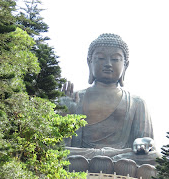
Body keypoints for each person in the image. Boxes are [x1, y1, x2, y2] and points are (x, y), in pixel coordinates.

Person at [61, 33, 158, 166]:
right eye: (100, 58)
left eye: (115, 59)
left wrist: (144, 143)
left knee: (156, 157)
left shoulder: (136, 103)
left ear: (126, 65)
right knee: (54, 152)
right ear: (89, 62)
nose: (107, 64)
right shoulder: (75, 98)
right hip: (81, 155)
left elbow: (147, 143)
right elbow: (59, 143)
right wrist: (65, 112)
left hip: (122, 157)